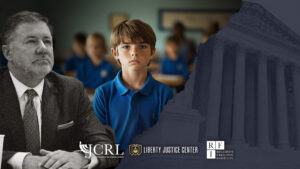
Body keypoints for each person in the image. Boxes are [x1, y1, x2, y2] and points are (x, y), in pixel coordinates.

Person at [0, 11, 119, 169]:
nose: (43, 48)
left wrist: (82, 156)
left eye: (47, 41)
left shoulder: (72, 90)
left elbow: (108, 147)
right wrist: (22, 160)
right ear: (8, 52)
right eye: (31, 41)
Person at [93, 19, 173, 151]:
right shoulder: (103, 93)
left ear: (152, 52)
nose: (134, 52)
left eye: (142, 46)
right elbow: (99, 143)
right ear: (115, 54)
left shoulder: (164, 93)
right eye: (126, 46)